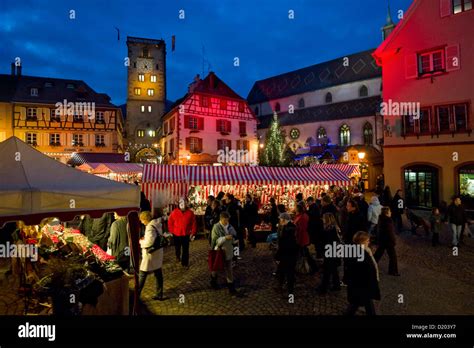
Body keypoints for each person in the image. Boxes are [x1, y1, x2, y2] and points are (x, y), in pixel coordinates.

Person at [345, 231, 380, 316]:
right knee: (362, 302)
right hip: (363, 284)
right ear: (362, 242)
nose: (369, 242)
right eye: (367, 241)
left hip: (360, 285)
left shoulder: (360, 251)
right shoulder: (361, 254)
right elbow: (365, 270)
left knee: (358, 302)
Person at [138, 211, 166, 301]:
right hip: (158, 252)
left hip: (151, 254)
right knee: (158, 273)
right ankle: (159, 294)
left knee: (142, 273)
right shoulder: (156, 224)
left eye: (142, 220)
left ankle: (136, 295)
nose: (141, 222)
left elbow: (149, 242)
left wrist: (141, 242)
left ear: (145, 219)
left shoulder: (149, 227)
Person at [210, 212, 239, 295]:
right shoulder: (216, 227)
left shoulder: (230, 227)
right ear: (221, 219)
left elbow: (234, 236)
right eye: (225, 220)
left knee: (229, 269)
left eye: (227, 220)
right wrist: (225, 238)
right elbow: (215, 240)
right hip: (219, 251)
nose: (226, 222)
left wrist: (234, 240)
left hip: (228, 251)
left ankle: (231, 288)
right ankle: (213, 280)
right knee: (216, 268)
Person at [316, 213, 342, 294]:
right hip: (334, 251)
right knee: (333, 270)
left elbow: (326, 241)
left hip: (330, 252)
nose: (322, 220)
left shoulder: (329, 230)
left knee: (327, 270)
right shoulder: (334, 228)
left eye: (324, 218)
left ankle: (323, 288)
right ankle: (336, 285)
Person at [168, 198, 197, 267]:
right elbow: (170, 222)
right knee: (177, 247)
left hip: (186, 234)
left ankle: (185, 263)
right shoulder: (174, 212)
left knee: (185, 249)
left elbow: (194, 223)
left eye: (184, 204)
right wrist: (172, 231)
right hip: (176, 234)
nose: (183, 206)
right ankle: (177, 256)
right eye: (181, 205)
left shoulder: (190, 213)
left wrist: (193, 232)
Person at [274, 213, 298, 297]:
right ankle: (283, 287)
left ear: (284, 220)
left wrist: (278, 255)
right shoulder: (291, 227)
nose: (279, 221)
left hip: (287, 254)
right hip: (291, 253)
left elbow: (284, 244)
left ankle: (289, 291)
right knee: (283, 271)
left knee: (287, 272)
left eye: (280, 220)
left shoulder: (286, 229)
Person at [374, 207, 400, 276]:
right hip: (388, 241)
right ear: (387, 213)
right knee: (393, 256)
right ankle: (393, 271)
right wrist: (393, 241)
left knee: (378, 254)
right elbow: (390, 232)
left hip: (382, 240)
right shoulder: (388, 220)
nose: (391, 213)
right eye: (390, 211)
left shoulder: (381, 219)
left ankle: (371, 265)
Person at [294, 204, 318, 274]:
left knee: (305, 253)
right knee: (303, 253)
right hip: (300, 237)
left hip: (302, 238)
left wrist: (298, 239)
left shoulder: (302, 217)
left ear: (298, 209)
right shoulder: (301, 216)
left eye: (295, 208)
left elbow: (301, 229)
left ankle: (312, 267)